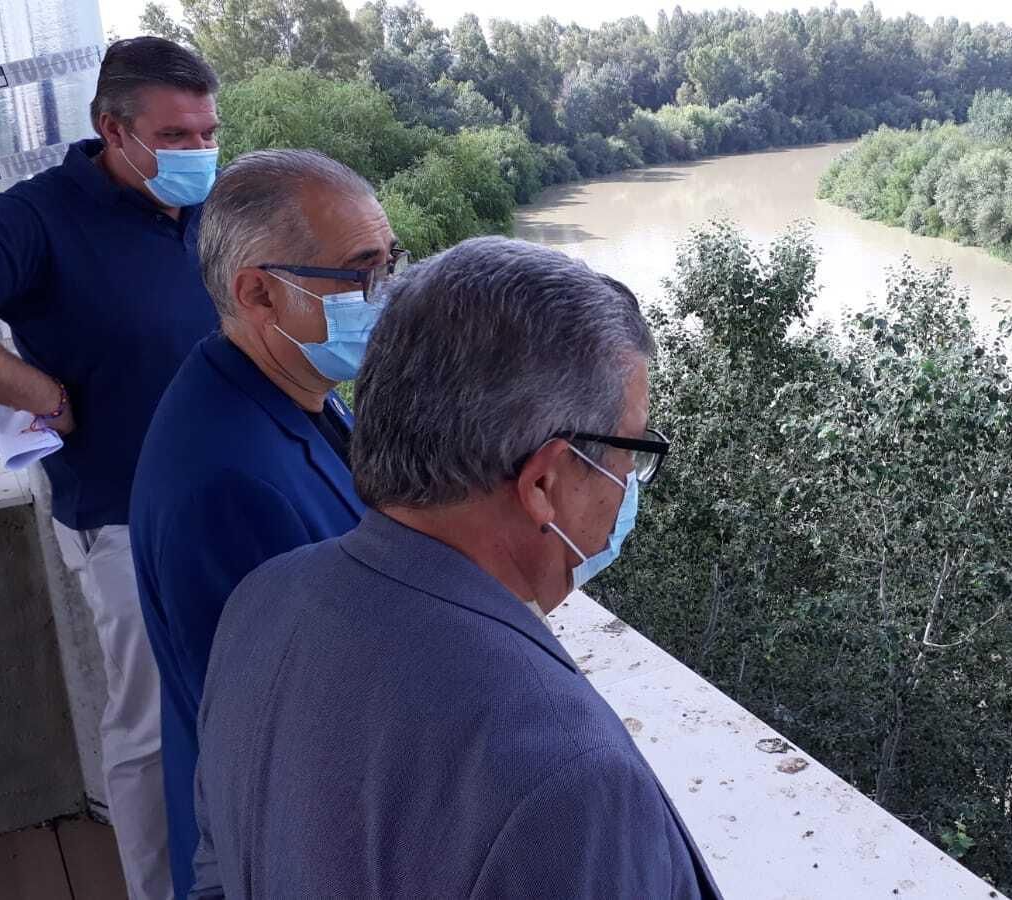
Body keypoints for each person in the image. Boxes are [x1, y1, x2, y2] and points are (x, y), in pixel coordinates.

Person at [189, 237, 719, 899]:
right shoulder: (566, 776)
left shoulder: (265, 600)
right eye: (630, 450)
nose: (629, 481)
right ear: (544, 484)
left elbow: (213, 876)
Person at [0, 36, 222, 900]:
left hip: (234, 499)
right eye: (176, 136)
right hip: (125, 518)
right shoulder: (42, 217)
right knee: (153, 727)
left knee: (247, 705)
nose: (198, 153)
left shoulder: (213, 207)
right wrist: (30, 387)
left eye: (208, 133)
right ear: (112, 130)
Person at [130, 149, 398, 899]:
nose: (385, 295)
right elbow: (295, 726)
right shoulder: (228, 482)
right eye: (360, 274)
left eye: (391, 263)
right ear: (259, 293)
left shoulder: (290, 383)